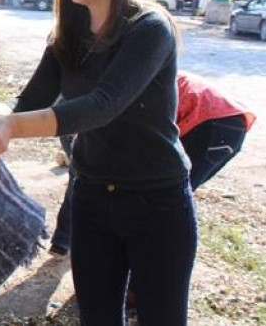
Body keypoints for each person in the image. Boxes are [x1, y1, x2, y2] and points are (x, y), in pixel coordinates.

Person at [0, 0, 196, 326]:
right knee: (97, 318)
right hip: (91, 198)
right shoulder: (67, 35)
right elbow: (28, 102)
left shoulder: (149, 28)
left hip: (157, 203)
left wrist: (12, 126)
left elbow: (102, 105)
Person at [49, 70, 256, 256]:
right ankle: (67, 242)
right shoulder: (108, 89)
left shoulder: (118, 94)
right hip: (216, 121)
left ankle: (139, 270)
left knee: (167, 198)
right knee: (89, 176)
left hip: (215, 124)